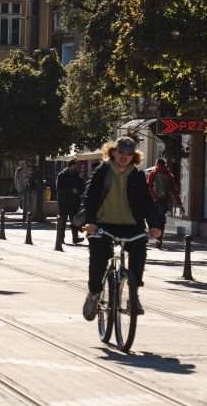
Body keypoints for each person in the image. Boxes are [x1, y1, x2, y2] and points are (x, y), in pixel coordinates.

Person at [80, 137, 164, 320]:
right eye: (121, 152)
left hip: (131, 225)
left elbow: (147, 202)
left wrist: (155, 225)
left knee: (140, 250)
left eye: (129, 153)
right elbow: (91, 197)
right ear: (113, 152)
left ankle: (133, 295)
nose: (125, 156)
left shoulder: (137, 175)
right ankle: (94, 293)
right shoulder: (102, 171)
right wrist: (91, 222)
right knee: (99, 257)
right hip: (103, 224)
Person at [147, 158, 184, 248]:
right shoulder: (167, 175)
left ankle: (158, 239)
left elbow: (148, 187)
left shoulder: (155, 173)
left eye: (158, 166)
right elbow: (174, 190)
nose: (158, 168)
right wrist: (179, 204)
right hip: (160, 201)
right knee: (159, 221)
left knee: (156, 220)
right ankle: (158, 239)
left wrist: (179, 203)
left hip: (156, 201)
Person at [56, 158, 85, 244]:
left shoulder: (78, 176)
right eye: (74, 165)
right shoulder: (62, 175)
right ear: (70, 166)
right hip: (64, 202)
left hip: (74, 202)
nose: (76, 167)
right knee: (63, 221)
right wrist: (70, 190)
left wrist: (79, 192)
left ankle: (75, 238)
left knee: (74, 221)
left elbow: (82, 188)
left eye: (77, 166)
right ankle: (60, 238)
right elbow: (59, 188)